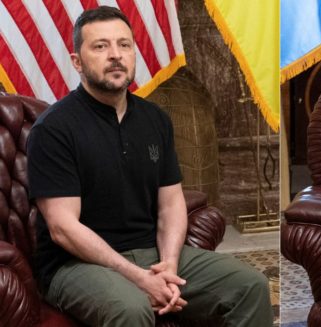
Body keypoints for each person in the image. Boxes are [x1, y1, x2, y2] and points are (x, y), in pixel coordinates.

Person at [27, 6, 272, 327]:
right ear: (77, 62)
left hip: (153, 254)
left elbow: (171, 204)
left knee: (251, 286)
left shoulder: (155, 120)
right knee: (130, 309)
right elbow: (63, 228)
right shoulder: (54, 129)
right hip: (75, 265)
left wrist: (168, 265)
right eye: (100, 46)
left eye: (124, 45)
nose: (115, 55)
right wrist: (138, 278)